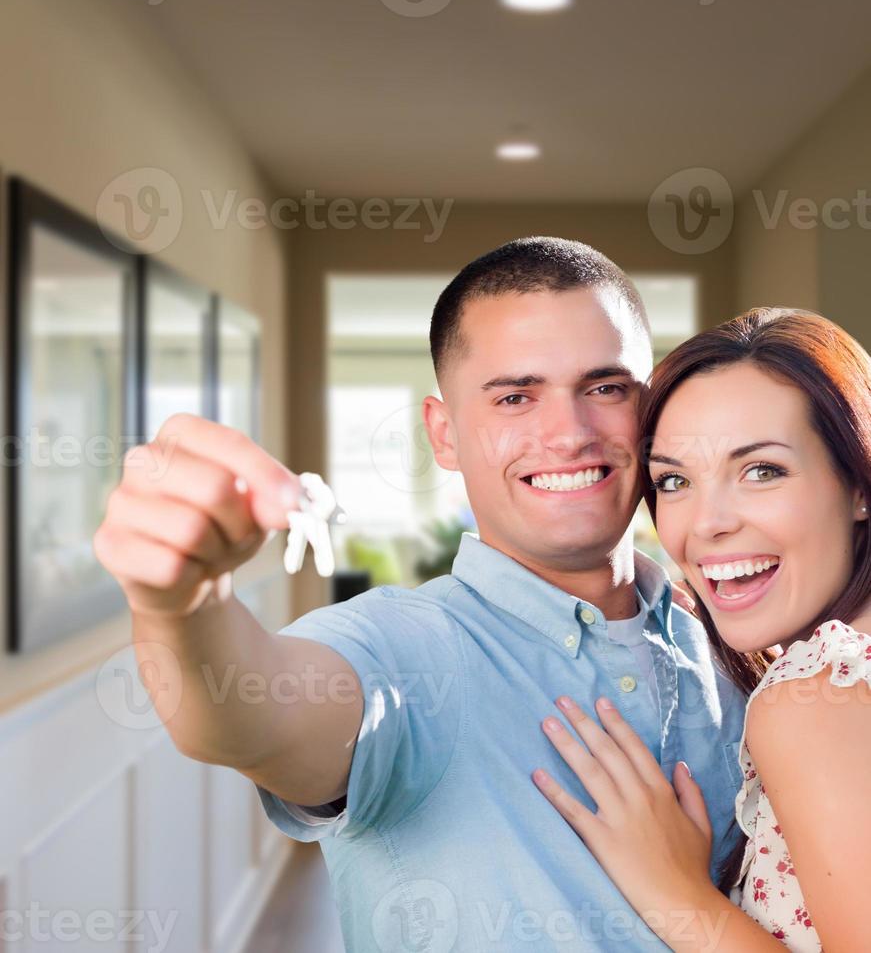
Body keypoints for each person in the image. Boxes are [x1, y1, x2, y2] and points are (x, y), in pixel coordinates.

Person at [94, 237, 748, 951]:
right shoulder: (400, 648)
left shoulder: (732, 641)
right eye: (514, 397)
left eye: (604, 388)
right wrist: (181, 607)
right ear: (444, 434)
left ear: (648, 408)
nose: (568, 433)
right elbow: (253, 714)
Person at [531, 307, 871, 952]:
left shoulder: (818, 696)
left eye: (762, 470)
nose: (706, 523)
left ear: (859, 483)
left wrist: (673, 890)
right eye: (675, 480)